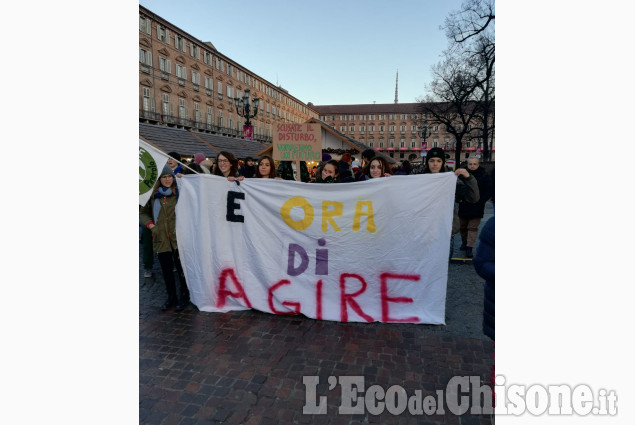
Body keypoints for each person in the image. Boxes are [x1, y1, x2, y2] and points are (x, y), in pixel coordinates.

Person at [140, 165, 190, 311]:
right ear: (159, 179)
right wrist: (151, 227)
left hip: (177, 239)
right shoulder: (152, 196)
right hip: (161, 240)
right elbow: (143, 214)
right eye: (164, 177)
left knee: (181, 271)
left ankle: (184, 296)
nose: (167, 180)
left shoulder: (179, 193)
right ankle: (171, 297)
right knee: (166, 271)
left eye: (169, 177)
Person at [422, 147, 479, 243]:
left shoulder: (451, 180)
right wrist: (391, 183)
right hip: (423, 230)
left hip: (446, 230)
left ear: (442, 163)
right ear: (427, 162)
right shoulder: (419, 180)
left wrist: (469, 178)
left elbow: (473, 198)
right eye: (432, 161)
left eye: (438, 161)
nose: (435, 164)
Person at [458, 156, 493, 257]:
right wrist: (459, 199)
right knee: (462, 227)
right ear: (467, 164)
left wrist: (481, 201)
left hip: (477, 206)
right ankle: (464, 243)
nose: (472, 166)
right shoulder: (461, 175)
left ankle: (470, 247)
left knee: (472, 228)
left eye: (474, 164)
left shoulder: (484, 175)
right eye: (470, 164)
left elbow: (488, 190)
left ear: (478, 164)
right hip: (464, 205)